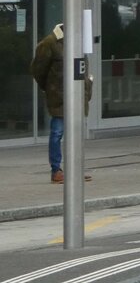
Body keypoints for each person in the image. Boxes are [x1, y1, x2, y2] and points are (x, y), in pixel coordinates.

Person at [29, 23, 93, 183]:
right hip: (60, 97)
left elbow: (83, 68)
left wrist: (87, 88)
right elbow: (38, 70)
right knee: (57, 132)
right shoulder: (50, 43)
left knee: (76, 133)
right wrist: (49, 87)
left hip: (77, 96)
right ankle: (56, 170)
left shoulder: (78, 41)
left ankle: (75, 169)